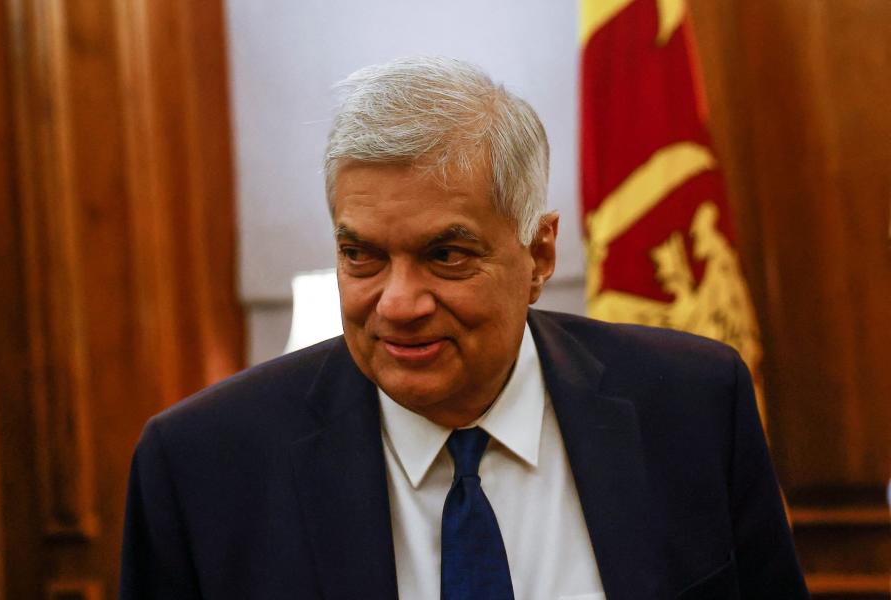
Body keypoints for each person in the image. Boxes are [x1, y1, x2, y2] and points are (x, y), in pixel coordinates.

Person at [120, 56, 808, 599]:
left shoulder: (692, 405)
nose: (397, 303)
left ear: (538, 255)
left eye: (445, 255)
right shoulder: (202, 466)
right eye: (361, 255)